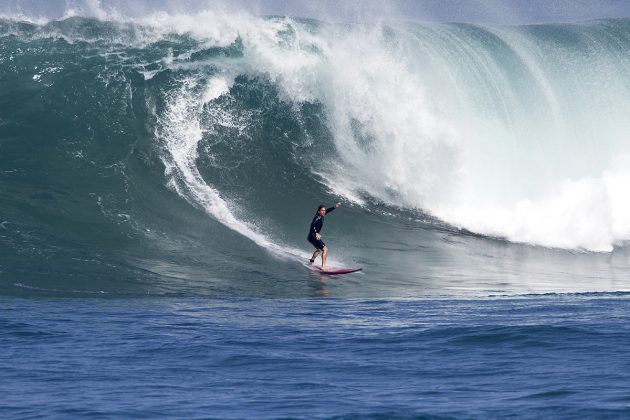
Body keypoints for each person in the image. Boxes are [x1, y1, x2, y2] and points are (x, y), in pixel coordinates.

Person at [307, 202, 341, 268]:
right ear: (318, 211)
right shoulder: (318, 217)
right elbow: (312, 225)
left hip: (311, 237)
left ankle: (312, 261)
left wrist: (335, 207)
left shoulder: (322, 215)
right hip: (313, 236)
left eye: (324, 210)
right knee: (325, 249)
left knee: (319, 250)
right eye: (322, 210)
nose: (324, 212)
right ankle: (323, 266)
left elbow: (327, 210)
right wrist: (316, 233)